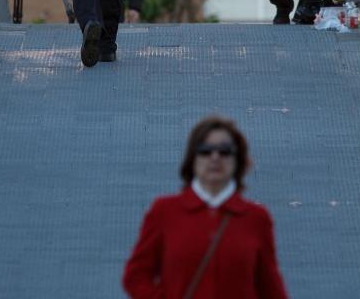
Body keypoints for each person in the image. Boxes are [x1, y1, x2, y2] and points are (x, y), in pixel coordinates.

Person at [123, 116, 289, 299]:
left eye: (225, 151)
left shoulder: (256, 218)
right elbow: (136, 276)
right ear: (192, 158)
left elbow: (271, 287)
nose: (215, 157)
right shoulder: (164, 211)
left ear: (238, 160)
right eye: (205, 150)